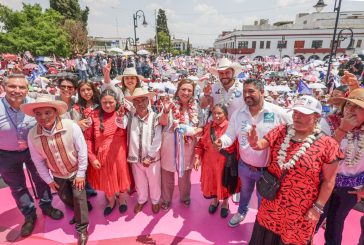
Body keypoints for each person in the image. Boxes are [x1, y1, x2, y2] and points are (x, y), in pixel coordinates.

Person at [247, 95, 343, 245]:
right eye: (295, 113)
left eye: (303, 114)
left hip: (300, 212)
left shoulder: (328, 145)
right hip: (271, 204)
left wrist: (317, 208)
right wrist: (254, 143)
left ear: (316, 117)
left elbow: (329, 181)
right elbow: (260, 144)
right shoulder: (281, 131)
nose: (297, 118)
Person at [214, 78, 292, 228]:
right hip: (244, 166)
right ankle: (241, 212)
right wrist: (221, 142)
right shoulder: (238, 114)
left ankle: (261, 221)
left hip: (268, 170)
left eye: (251, 91)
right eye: (244, 92)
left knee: (263, 198)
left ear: (262, 92)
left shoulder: (277, 112)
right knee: (245, 193)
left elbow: (293, 129)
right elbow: (230, 135)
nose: (247, 95)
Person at [0, 74, 63, 237]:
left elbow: (52, 117)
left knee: (41, 179)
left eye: (21, 87)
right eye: (12, 86)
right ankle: (29, 216)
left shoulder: (34, 105)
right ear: (4, 87)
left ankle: (47, 206)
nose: (17, 90)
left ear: (27, 89)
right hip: (5, 155)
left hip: (33, 151)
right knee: (17, 187)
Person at [21, 96, 89, 245]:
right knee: (65, 198)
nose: (43, 117)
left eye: (47, 112)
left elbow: (82, 151)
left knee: (79, 197)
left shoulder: (71, 126)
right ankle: (81, 210)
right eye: (38, 114)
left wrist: (80, 174)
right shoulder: (32, 134)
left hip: (75, 171)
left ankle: (82, 228)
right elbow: (37, 160)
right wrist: (49, 180)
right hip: (57, 175)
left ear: (56, 112)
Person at [318, 88, 364, 245]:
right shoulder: (328, 122)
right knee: (311, 223)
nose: (351, 109)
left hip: (349, 191)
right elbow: (321, 155)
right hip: (322, 185)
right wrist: (342, 130)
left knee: (335, 229)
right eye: (349, 104)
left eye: (358, 107)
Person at [84, 89, 131, 216]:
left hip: (119, 155)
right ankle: (110, 202)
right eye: (105, 102)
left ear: (116, 102)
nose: (108, 105)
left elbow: (125, 129)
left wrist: (121, 116)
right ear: (100, 102)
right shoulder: (93, 116)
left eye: (111, 102)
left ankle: (122, 200)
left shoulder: (122, 114)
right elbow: (88, 139)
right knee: (106, 182)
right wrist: (92, 157)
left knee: (122, 179)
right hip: (102, 157)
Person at [116, 88, 162, 214]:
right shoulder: (130, 117)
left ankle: (155, 201)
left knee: (154, 182)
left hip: (152, 159)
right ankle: (142, 200)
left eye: (143, 100)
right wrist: (120, 115)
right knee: (139, 182)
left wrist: (150, 156)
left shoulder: (155, 117)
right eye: (137, 101)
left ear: (148, 101)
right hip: (135, 158)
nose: (140, 103)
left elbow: (157, 139)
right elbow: (121, 124)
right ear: (134, 104)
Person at [159, 79, 203, 210]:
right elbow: (162, 122)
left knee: (185, 173)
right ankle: (166, 199)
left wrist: (194, 131)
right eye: (183, 89)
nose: (186, 92)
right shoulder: (169, 104)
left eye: (189, 90)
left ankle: (185, 196)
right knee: (167, 173)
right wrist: (166, 111)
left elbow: (201, 126)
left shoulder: (197, 107)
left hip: (188, 145)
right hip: (170, 145)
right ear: (178, 90)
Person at [194, 104, 239, 218]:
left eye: (219, 113)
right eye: (214, 113)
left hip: (225, 163)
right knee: (213, 182)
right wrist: (197, 157)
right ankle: (214, 201)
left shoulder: (231, 127)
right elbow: (200, 144)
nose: (216, 116)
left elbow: (237, 146)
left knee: (225, 183)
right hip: (209, 163)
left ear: (226, 114)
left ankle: (225, 203)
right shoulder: (208, 126)